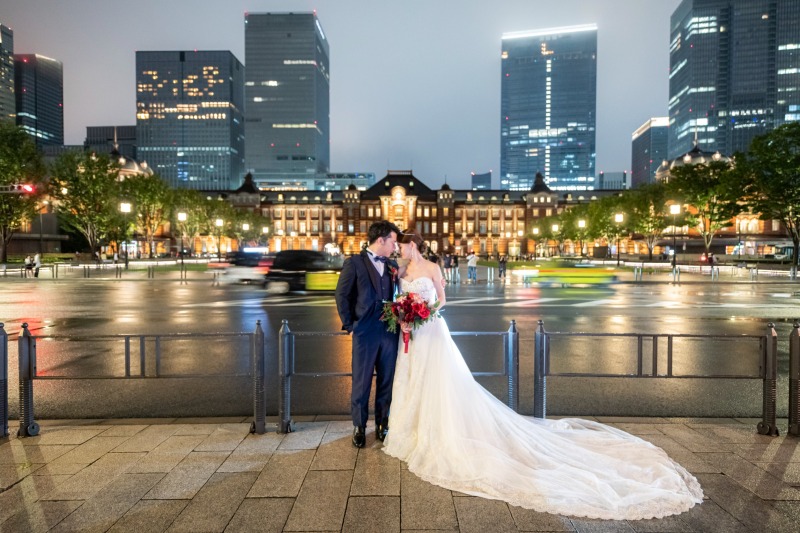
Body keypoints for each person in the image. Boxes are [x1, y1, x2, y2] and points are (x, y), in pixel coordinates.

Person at [381, 232, 704, 520]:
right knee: (411, 377)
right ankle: (410, 428)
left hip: (430, 328)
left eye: (402, 246)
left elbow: (442, 299)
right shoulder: (402, 271)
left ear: (413, 246)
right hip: (411, 332)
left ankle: (437, 427)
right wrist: (404, 315)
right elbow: (398, 297)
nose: (399, 250)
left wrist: (424, 313)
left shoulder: (432, 268)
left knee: (439, 379)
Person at [335, 220, 402, 448]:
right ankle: (359, 426)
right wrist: (350, 325)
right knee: (361, 381)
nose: (395, 246)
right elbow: (342, 295)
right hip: (364, 331)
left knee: (387, 379)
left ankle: (383, 423)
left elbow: (404, 289)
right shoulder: (354, 262)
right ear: (381, 240)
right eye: (393, 242)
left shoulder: (392, 265)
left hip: (389, 331)